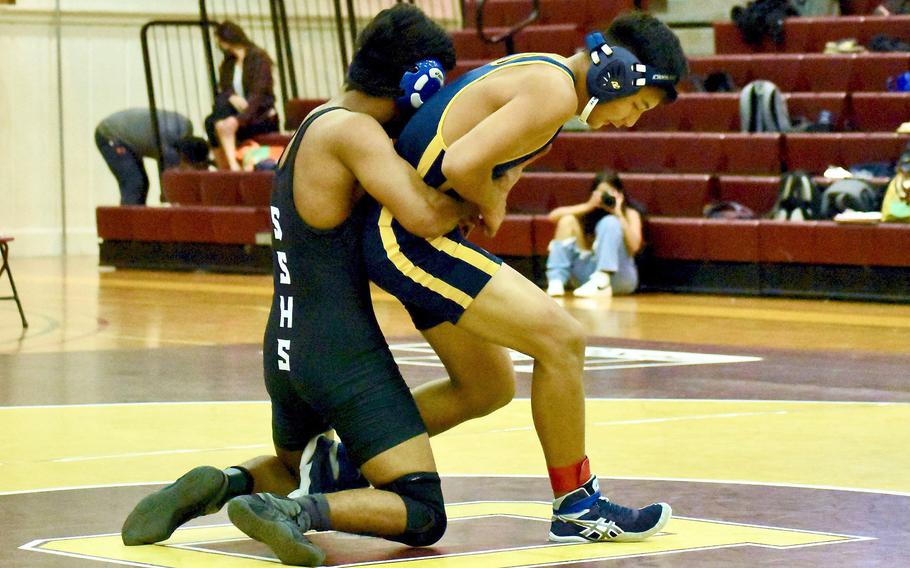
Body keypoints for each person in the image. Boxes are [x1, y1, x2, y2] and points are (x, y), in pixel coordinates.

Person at [283, 11, 688, 546]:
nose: (630, 121)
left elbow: (484, 155)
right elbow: (461, 163)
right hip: (409, 240)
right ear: (617, 76)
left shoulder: (543, 72)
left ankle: (340, 464)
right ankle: (578, 505)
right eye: (637, 105)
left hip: (412, 238)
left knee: (488, 385)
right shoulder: (553, 92)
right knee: (563, 341)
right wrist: (492, 198)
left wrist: (494, 189)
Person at [120, 6, 492, 565]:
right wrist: (486, 190)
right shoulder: (355, 133)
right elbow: (423, 215)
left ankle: (227, 482)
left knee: (307, 465)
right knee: (421, 510)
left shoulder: (316, 123)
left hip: (286, 348)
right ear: (421, 84)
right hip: (336, 351)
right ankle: (291, 512)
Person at [545, 170, 645, 298]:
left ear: (620, 194)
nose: (605, 198)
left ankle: (603, 279)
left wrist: (618, 214)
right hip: (588, 278)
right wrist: (588, 206)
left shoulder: (630, 214)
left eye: (609, 193)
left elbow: (634, 247)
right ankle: (556, 281)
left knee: (610, 222)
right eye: (601, 194)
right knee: (567, 220)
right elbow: (553, 216)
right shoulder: (588, 213)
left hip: (619, 276)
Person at [205, 21, 279, 171]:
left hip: (258, 115)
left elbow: (259, 95)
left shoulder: (258, 59)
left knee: (221, 123)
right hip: (237, 111)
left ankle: (231, 167)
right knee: (212, 121)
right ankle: (228, 166)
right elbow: (225, 89)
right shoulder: (228, 63)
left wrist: (239, 119)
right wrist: (232, 97)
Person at [95, 109, 210, 204]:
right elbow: (171, 189)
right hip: (110, 135)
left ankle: (137, 225)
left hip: (128, 130)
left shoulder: (185, 129)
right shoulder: (170, 148)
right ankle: (127, 229)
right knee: (134, 183)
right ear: (184, 158)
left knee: (141, 183)